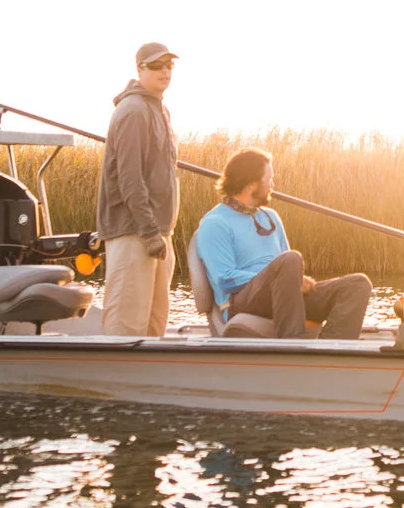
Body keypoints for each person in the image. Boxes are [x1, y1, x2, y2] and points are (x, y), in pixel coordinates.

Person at [193, 147, 372, 339]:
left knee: (358, 285)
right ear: (251, 184)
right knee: (290, 259)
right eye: (268, 179)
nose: (272, 184)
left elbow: (288, 268)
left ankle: (332, 352)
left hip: (284, 296)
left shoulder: (271, 217)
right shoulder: (215, 223)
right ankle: (294, 343)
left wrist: (294, 278)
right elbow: (225, 279)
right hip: (241, 300)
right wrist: (277, 277)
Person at [97, 42, 180, 335]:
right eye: (157, 65)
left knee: (154, 329)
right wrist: (148, 232)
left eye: (170, 64)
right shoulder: (133, 111)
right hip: (135, 234)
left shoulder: (160, 110)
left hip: (158, 236)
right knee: (126, 329)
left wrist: (161, 234)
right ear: (140, 69)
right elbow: (129, 179)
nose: (165, 71)